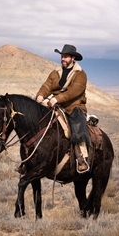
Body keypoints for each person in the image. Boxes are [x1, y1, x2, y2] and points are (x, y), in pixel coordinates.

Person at [36, 44, 91, 173]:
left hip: (74, 106)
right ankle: (32, 158)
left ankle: (81, 158)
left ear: (73, 58)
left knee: (77, 127)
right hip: (55, 105)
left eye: (65, 57)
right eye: (62, 56)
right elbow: (47, 86)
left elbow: (75, 91)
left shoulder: (80, 74)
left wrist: (57, 99)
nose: (63, 59)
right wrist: (40, 95)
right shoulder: (55, 73)